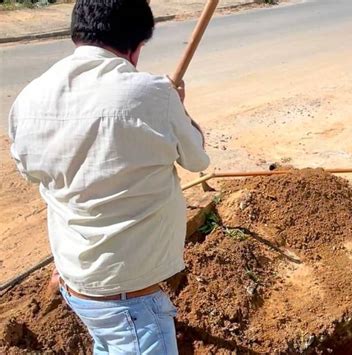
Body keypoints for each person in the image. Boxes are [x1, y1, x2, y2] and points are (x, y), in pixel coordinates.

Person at [8, 0, 210, 353]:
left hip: (78, 285)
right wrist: (179, 108)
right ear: (136, 47)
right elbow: (196, 159)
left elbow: (30, 172)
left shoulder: (29, 97)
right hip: (129, 301)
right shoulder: (154, 94)